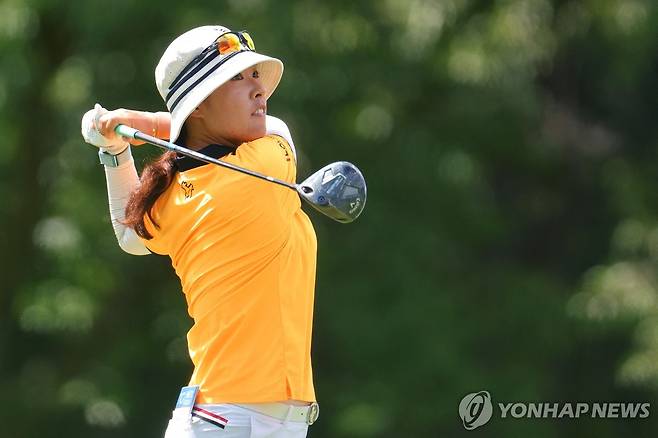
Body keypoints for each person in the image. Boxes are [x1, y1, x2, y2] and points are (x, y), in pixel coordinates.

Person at [80, 25, 319, 437]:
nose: (259, 89)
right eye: (238, 79)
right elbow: (280, 129)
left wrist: (115, 149)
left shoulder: (173, 196)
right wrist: (151, 123)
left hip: (223, 417)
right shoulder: (261, 166)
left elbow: (130, 237)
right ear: (199, 105)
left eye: (256, 76)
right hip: (234, 420)